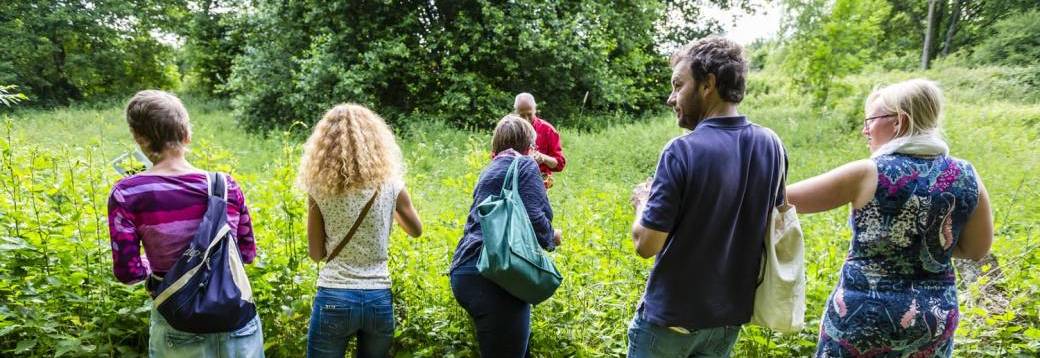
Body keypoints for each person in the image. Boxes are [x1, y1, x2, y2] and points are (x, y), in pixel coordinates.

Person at [787, 79, 993, 357]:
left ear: (899, 122)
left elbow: (784, 199)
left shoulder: (868, 172)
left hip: (862, 320)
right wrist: (925, 247)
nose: (864, 130)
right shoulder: (966, 174)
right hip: (932, 321)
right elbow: (977, 249)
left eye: (870, 120)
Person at [627, 37, 785, 357]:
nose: (671, 98)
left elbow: (646, 244)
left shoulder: (681, 150)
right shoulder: (772, 144)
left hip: (671, 322)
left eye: (678, 85)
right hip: (727, 321)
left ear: (707, 84)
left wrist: (642, 200)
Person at [107, 90, 264, 357]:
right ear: (187, 134)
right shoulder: (226, 187)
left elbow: (128, 272)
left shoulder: (128, 193)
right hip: (236, 321)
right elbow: (247, 254)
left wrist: (164, 268)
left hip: (177, 322)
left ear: (139, 139)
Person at [298, 104, 423, 358]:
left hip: (334, 295)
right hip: (378, 296)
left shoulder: (319, 190)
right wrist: (389, 213)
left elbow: (315, 253)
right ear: (375, 140)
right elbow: (416, 230)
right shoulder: (391, 186)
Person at [449, 114, 562, 357]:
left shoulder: (489, 170)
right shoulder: (525, 164)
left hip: (466, 271)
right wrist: (552, 237)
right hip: (497, 273)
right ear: (530, 146)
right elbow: (535, 218)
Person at [514, 93, 566, 189]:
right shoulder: (509, 129)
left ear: (535, 109)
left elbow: (559, 164)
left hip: (539, 186)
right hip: (513, 184)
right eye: (522, 115)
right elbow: (496, 157)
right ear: (515, 112)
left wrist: (543, 158)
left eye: (529, 114)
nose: (526, 119)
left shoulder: (548, 130)